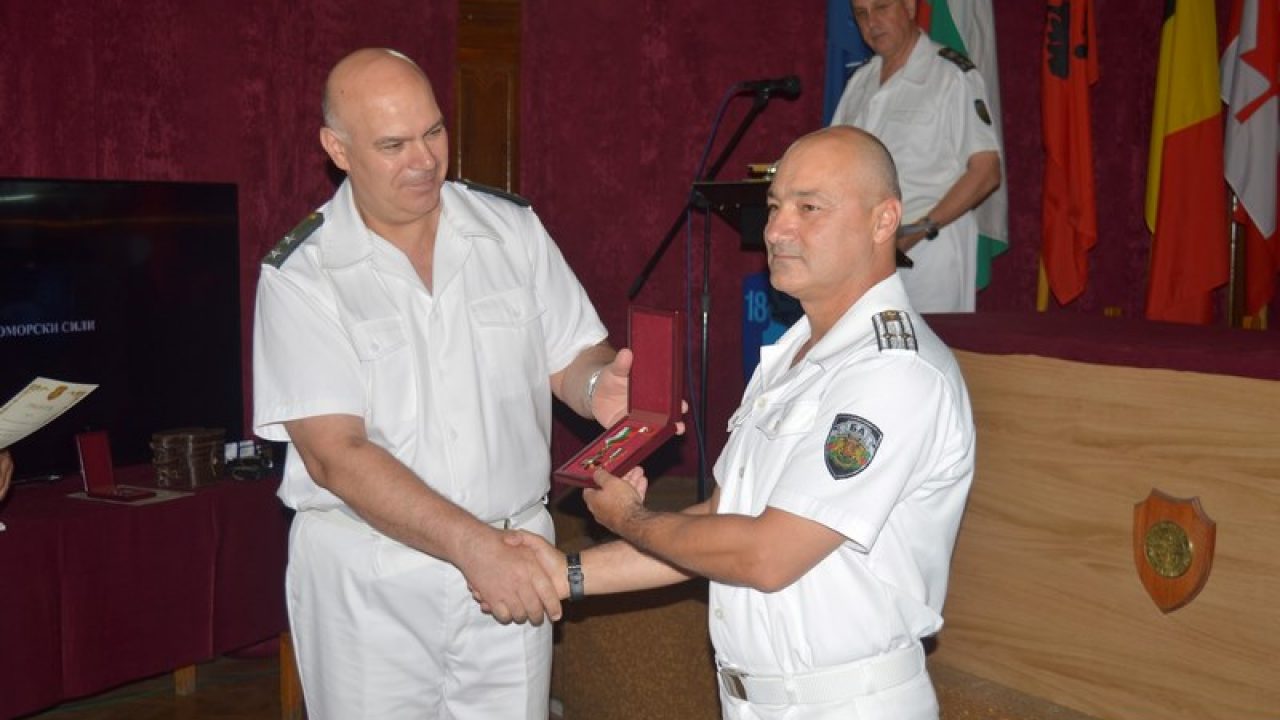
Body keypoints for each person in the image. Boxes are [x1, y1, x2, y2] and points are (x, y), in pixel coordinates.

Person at [502, 126, 975, 719]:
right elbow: (722, 521)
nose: (775, 230)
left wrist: (630, 518)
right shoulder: (796, 354)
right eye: (775, 207)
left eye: (809, 208)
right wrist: (566, 573)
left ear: (884, 221)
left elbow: (765, 556)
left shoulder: (893, 372)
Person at [252, 47, 634, 719]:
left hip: (515, 555)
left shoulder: (510, 230)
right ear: (337, 149)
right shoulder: (304, 274)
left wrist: (598, 385)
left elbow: (572, 355)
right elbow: (335, 454)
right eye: (393, 144)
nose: (425, 159)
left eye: (433, 131)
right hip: (371, 577)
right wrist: (472, 548)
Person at [830, 0, 1001, 313]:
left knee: (930, 343)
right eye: (861, 14)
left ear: (909, 7)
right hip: (865, 258)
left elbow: (986, 171)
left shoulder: (951, 75)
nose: (872, 23)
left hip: (928, 253)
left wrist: (921, 229)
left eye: (882, 8)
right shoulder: (860, 83)